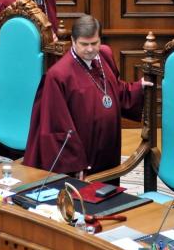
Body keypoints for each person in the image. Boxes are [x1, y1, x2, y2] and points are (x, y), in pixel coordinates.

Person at [23, 15, 151, 177]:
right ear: (73, 41)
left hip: (108, 149)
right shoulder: (58, 75)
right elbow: (57, 125)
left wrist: (138, 87)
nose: (90, 49)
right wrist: (74, 164)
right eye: (84, 44)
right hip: (83, 155)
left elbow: (114, 90)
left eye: (94, 43)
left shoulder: (104, 55)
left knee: (108, 189)